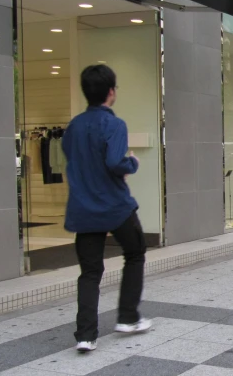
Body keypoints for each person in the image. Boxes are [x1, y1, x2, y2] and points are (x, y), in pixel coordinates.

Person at [62, 65, 151, 353]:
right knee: (135, 252)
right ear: (111, 92)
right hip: (115, 206)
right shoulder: (114, 125)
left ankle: (85, 336)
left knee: (90, 272)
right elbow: (115, 162)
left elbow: (72, 157)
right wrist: (132, 164)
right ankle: (127, 317)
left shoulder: (73, 127)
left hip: (84, 208)